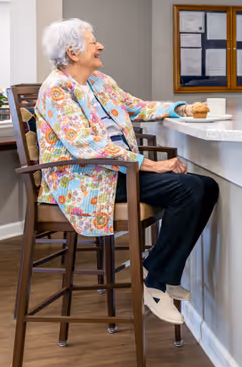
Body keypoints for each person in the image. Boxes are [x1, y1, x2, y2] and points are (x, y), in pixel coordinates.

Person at [36, 18, 218, 325]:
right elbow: (87, 147)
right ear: (72, 51)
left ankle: (158, 269)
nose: (100, 46)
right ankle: (156, 281)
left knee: (207, 187)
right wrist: (154, 165)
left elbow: (137, 107)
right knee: (188, 190)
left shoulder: (100, 82)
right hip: (86, 182)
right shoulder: (56, 90)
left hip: (118, 174)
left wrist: (181, 108)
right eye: (93, 41)